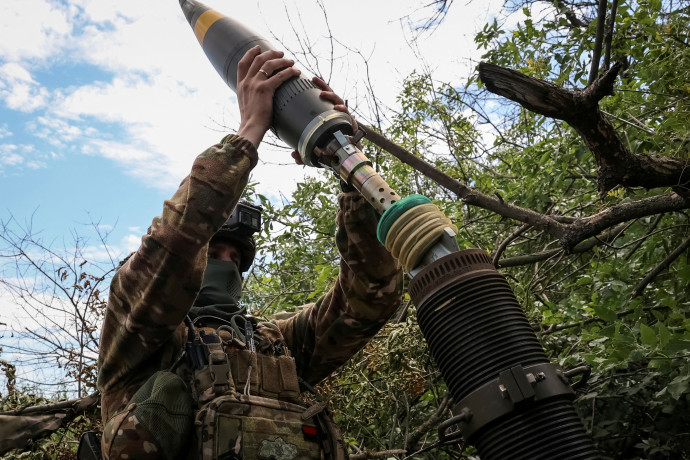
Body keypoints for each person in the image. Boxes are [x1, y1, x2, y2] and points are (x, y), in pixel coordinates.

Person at [96, 46, 403, 460]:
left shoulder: (274, 343)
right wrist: (248, 134)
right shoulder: (137, 335)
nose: (224, 263)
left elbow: (369, 297)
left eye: (234, 259)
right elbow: (171, 246)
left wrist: (348, 165)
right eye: (212, 251)